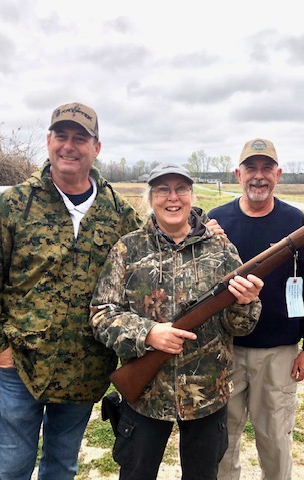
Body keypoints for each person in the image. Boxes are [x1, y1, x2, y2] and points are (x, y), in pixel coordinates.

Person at [0, 102, 142, 480]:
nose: (69, 146)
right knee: (11, 468)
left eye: (81, 138)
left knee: (62, 467)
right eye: (62, 136)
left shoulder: (119, 214)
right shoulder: (14, 205)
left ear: (97, 147)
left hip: (85, 367)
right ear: (48, 141)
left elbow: (155, 256)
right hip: (21, 366)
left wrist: (204, 231)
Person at [89, 163, 264, 480]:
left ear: (191, 195)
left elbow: (240, 327)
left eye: (181, 189)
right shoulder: (128, 249)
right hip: (146, 397)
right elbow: (101, 313)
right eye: (162, 190)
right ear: (150, 198)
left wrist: (247, 302)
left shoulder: (221, 248)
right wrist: (148, 333)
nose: (173, 198)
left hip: (207, 395)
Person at [209, 139, 304, 480]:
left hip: (278, 353)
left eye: (266, 169)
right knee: (222, 443)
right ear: (237, 174)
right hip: (225, 350)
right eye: (251, 168)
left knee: (275, 441)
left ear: (278, 174)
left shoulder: (296, 222)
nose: (258, 177)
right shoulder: (216, 222)